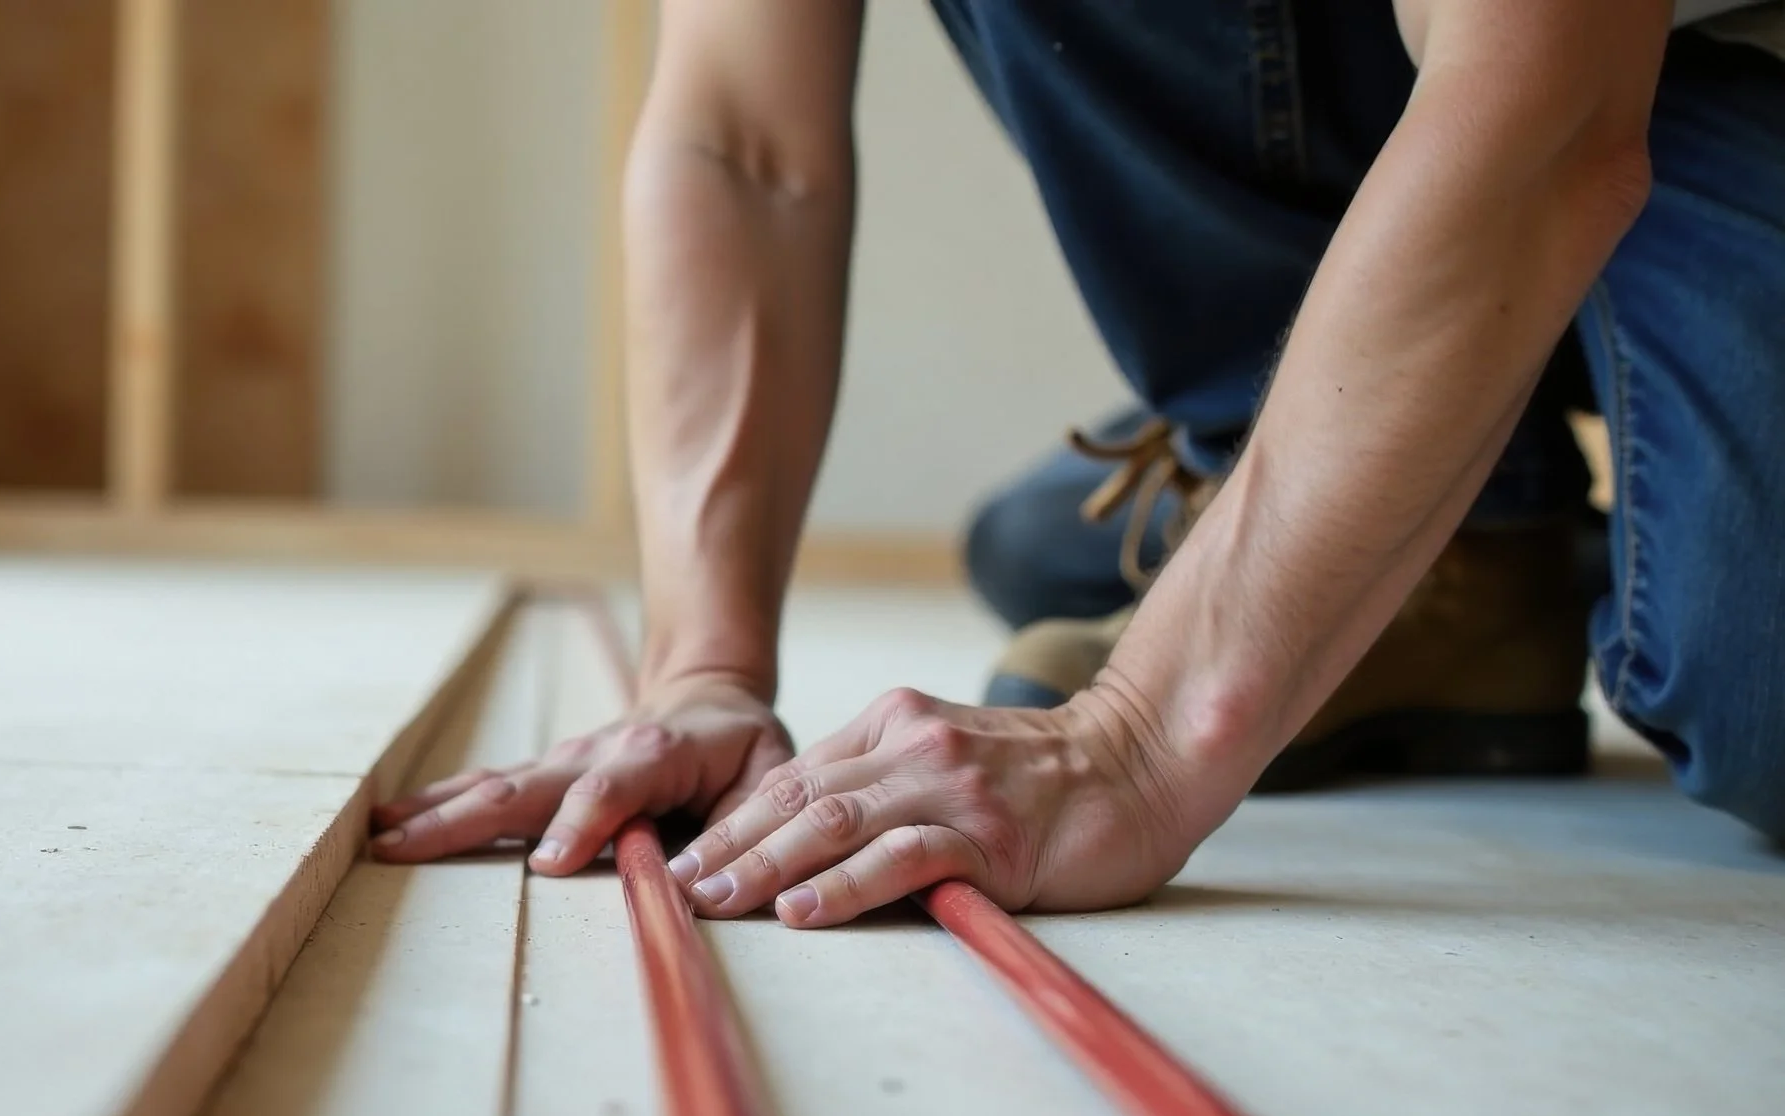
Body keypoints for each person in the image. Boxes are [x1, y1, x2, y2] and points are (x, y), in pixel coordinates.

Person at [372, 0, 1785, 919]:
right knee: (1045, 558)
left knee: (1766, 697)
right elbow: (740, 136)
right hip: (1455, 77)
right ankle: (1437, 526)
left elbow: (1549, 118)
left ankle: (1314, 527)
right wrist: (705, 670)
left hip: (1719, 68)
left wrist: (1141, 738)